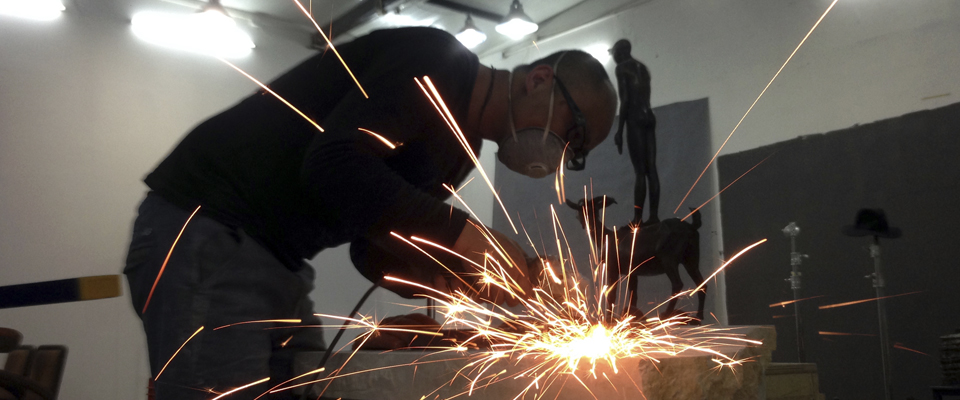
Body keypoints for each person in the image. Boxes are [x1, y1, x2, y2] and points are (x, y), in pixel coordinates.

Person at [123, 27, 617, 400]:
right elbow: (333, 164)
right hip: (208, 226)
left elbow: (373, 249)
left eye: (576, 152)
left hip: (279, 262)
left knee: (308, 389)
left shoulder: (459, 154)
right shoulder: (435, 61)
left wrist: (479, 284)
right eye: (571, 132)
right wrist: (472, 238)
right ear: (539, 80)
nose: (562, 153)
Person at [611, 39, 660, 225]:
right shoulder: (643, 68)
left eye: (614, 53)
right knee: (652, 169)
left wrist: (620, 129)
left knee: (640, 172)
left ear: (620, 52)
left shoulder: (622, 68)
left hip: (635, 118)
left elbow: (625, 100)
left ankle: (638, 219)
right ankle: (653, 216)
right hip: (649, 117)